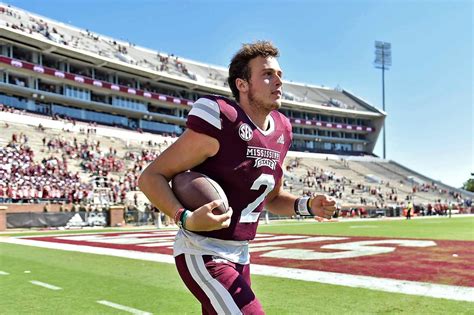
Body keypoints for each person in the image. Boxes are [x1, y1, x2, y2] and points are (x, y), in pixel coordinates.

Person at [138, 41, 336, 315]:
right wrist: (185, 217)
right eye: (267, 74)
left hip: (241, 253)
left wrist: (307, 205)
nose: (278, 80)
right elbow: (151, 177)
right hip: (202, 249)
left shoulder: (282, 130)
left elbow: (272, 198)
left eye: (279, 74)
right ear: (242, 84)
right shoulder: (222, 119)